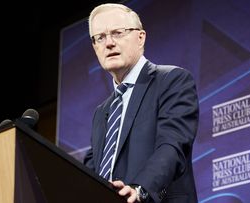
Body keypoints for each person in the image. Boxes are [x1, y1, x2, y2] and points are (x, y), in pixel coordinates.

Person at [83, 3, 199, 203]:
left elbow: (172, 145)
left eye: (118, 33)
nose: (108, 43)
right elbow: (91, 171)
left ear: (140, 37)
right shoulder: (102, 112)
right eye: (99, 37)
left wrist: (140, 189)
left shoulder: (172, 80)